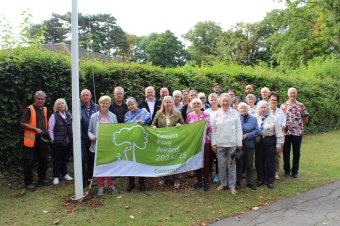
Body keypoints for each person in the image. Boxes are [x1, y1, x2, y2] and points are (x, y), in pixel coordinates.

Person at [211, 93, 242, 195]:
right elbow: (213, 130)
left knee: (232, 165)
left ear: (229, 101)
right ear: (220, 102)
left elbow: (239, 128)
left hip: (232, 144)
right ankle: (223, 184)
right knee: (221, 165)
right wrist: (213, 143)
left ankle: (232, 186)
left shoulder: (235, 113)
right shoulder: (217, 113)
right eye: (223, 101)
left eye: (226, 100)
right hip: (220, 144)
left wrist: (239, 142)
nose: (225, 102)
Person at [88, 95, 118, 196]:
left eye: (107, 103)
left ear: (109, 104)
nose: (105, 105)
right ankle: (100, 187)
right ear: (99, 104)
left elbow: (117, 130)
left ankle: (110, 185)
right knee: (100, 166)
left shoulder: (113, 116)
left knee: (109, 165)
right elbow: (89, 131)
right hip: (98, 145)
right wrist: (92, 137)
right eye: (103, 103)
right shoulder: (94, 116)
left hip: (109, 145)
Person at [152, 96, 184, 188]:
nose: (168, 104)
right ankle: (162, 177)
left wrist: (179, 124)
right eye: (166, 102)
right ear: (163, 103)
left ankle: (176, 178)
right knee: (163, 158)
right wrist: (154, 127)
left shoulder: (178, 113)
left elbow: (184, 125)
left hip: (174, 140)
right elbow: (153, 124)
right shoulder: (158, 113)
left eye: (170, 102)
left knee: (175, 158)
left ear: (172, 103)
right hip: (162, 141)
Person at [21, 91, 50, 191]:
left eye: (42, 99)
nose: (40, 101)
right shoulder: (29, 109)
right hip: (31, 141)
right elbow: (23, 123)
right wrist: (35, 129)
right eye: (39, 99)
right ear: (35, 99)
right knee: (29, 162)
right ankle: (28, 182)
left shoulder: (45, 109)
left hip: (42, 139)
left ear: (44, 100)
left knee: (43, 160)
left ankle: (42, 179)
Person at [280, 87, 309, 179]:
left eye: (294, 93)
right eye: (291, 93)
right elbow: (281, 119)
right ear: (288, 94)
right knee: (286, 152)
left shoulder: (301, 105)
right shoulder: (283, 105)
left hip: (297, 133)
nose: (292, 95)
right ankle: (287, 172)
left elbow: (305, 118)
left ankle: (295, 172)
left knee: (296, 153)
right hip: (286, 133)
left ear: (296, 94)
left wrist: (300, 127)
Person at [124, 97, 151, 192]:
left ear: (136, 104)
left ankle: (141, 182)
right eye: (129, 105)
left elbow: (149, 118)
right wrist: (135, 122)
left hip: (142, 139)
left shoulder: (143, 111)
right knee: (130, 161)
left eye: (132, 104)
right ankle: (131, 183)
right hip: (131, 140)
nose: (131, 106)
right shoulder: (127, 115)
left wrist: (143, 121)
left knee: (141, 161)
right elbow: (127, 125)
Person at [255, 101, 284, 189]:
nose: (263, 109)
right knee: (259, 161)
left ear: (268, 108)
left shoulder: (273, 118)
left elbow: (279, 133)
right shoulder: (256, 118)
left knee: (270, 162)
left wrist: (279, 144)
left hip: (270, 141)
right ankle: (260, 179)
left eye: (264, 107)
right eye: (261, 107)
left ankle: (270, 180)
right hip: (259, 141)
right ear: (259, 109)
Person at [187, 98, 212, 191]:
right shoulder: (189, 115)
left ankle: (206, 181)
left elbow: (209, 129)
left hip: (205, 141)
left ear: (201, 105)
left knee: (205, 161)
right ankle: (199, 181)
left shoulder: (206, 115)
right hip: (194, 142)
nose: (196, 104)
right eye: (194, 103)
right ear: (191, 105)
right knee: (196, 160)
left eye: (198, 103)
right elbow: (188, 129)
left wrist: (207, 124)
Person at [48, 98, 73, 185]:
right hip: (57, 142)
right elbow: (50, 129)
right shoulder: (54, 116)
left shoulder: (69, 115)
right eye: (59, 104)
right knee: (57, 160)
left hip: (68, 141)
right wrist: (53, 140)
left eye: (63, 103)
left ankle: (65, 174)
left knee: (65, 159)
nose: (61, 105)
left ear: (65, 105)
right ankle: (56, 176)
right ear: (57, 106)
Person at [236, 102, 260, 190]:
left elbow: (257, 131)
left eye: (244, 108)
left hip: (249, 145)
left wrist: (247, 135)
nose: (243, 110)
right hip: (239, 145)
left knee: (249, 164)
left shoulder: (253, 119)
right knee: (239, 165)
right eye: (241, 108)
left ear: (248, 109)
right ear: (238, 110)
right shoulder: (237, 118)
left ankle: (250, 182)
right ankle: (237, 183)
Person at [80, 89, 99, 187]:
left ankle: (90, 179)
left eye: (87, 95)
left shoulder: (96, 107)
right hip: (82, 138)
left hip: (94, 138)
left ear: (91, 96)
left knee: (92, 159)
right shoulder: (77, 107)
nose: (85, 96)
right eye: (83, 95)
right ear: (80, 97)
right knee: (82, 159)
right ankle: (82, 180)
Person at [269, 92, 286, 180]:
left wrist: (282, 126)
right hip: (269, 135)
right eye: (272, 99)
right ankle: (267, 171)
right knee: (268, 154)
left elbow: (284, 122)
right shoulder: (265, 110)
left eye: (275, 100)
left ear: (277, 101)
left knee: (277, 155)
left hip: (279, 136)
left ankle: (275, 172)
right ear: (269, 100)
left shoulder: (281, 112)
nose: (273, 101)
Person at [204, 93, 220, 184]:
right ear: (209, 101)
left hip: (218, 137)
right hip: (208, 137)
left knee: (218, 156)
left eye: (215, 100)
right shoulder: (206, 111)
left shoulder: (221, 110)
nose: (213, 101)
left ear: (218, 100)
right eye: (211, 100)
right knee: (209, 156)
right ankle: (209, 173)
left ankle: (217, 174)